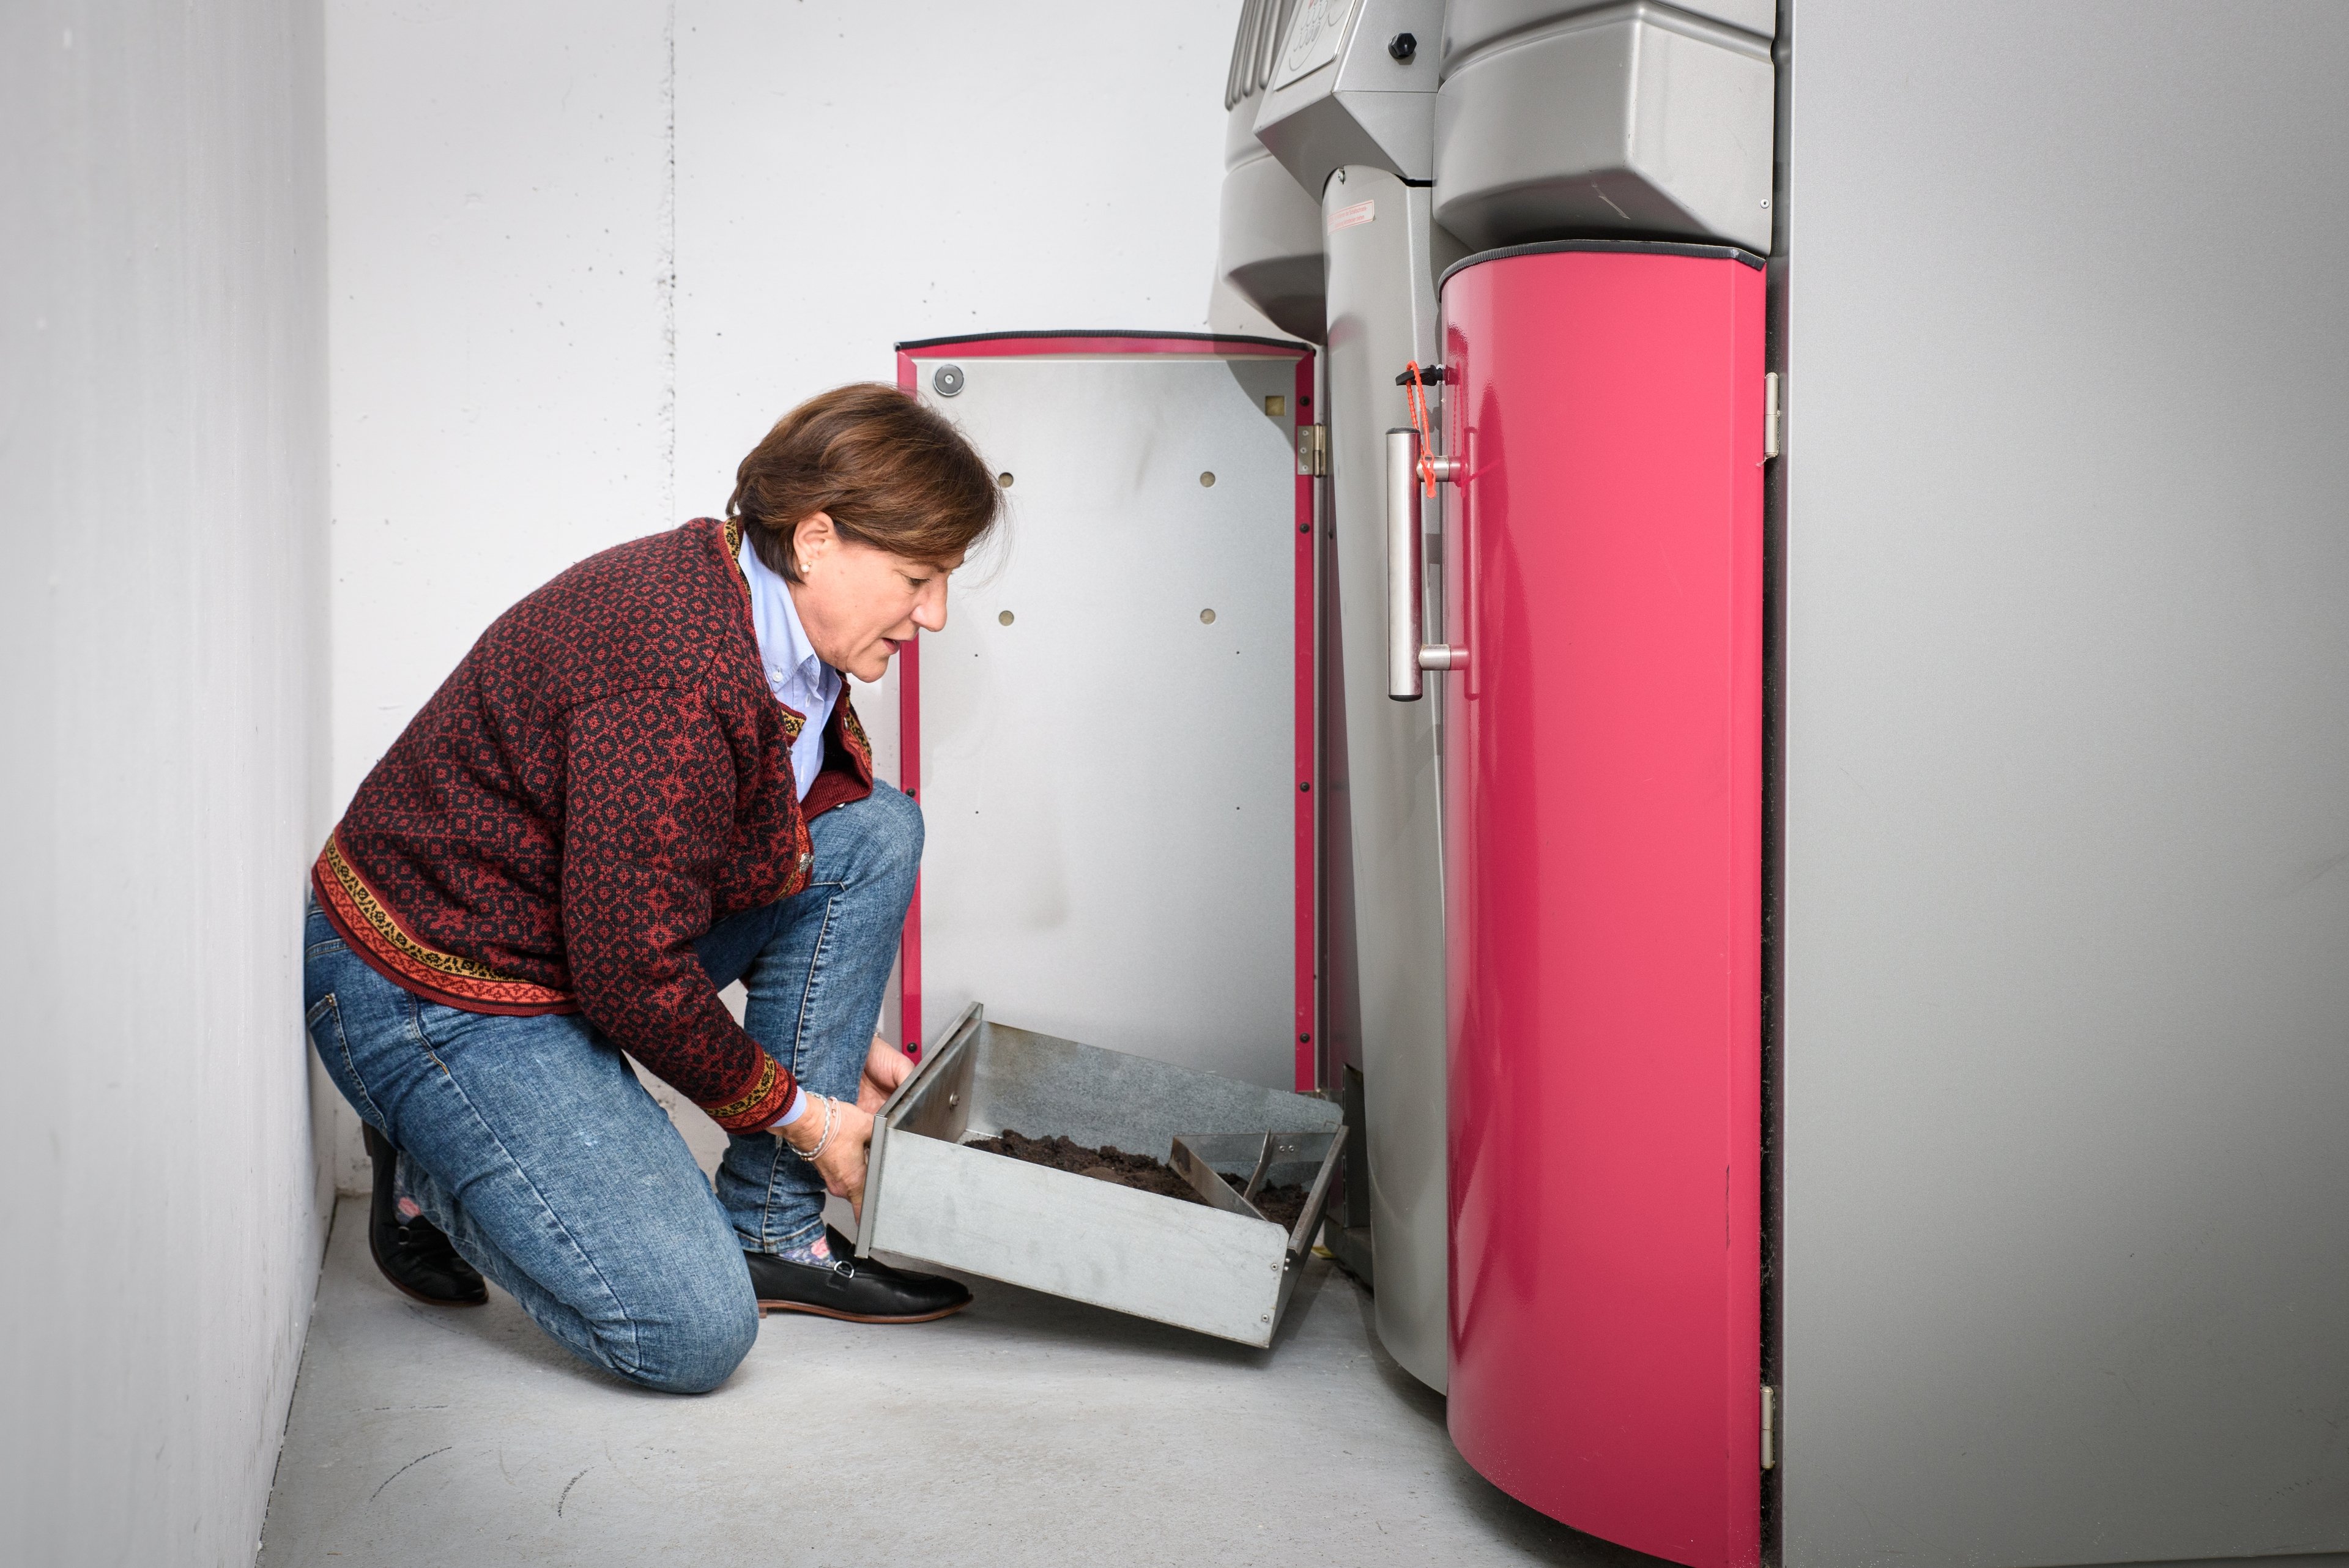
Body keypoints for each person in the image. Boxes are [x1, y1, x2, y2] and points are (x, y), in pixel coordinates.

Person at [303, 384, 1000, 1393]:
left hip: (567, 940)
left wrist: (844, 1043)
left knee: (874, 829)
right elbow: (633, 977)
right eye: (918, 578)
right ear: (815, 541)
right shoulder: (670, 668)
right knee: (689, 1334)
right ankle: (430, 1167)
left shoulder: (765, 617)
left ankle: (773, 1232)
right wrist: (808, 1112)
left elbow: (723, 854)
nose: (932, 614)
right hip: (436, 990)